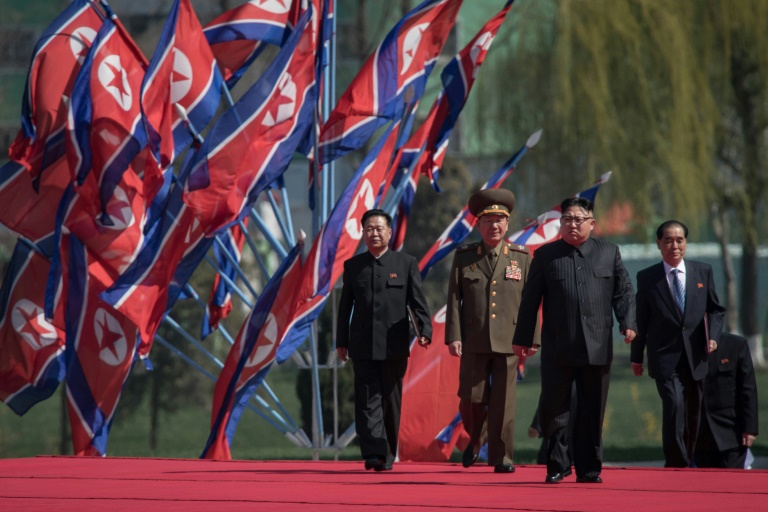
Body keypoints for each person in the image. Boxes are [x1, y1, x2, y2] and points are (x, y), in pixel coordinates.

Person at [512, 197, 636, 484]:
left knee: (592, 409)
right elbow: (530, 299)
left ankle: (589, 468)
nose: (572, 225)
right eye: (567, 219)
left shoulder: (609, 252)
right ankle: (557, 465)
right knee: (555, 408)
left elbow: (624, 292)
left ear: (592, 223)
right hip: (557, 345)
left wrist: (628, 322)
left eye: (579, 219)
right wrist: (524, 338)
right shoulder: (546, 255)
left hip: (597, 344)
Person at [445, 188, 539, 474]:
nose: (494, 226)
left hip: (510, 341)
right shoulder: (464, 257)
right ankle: (477, 437)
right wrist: (454, 336)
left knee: (504, 404)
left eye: (499, 220)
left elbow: (530, 302)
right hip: (473, 340)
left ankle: (502, 458)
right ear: (479, 225)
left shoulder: (521, 257)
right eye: (488, 221)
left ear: (507, 224)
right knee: (470, 400)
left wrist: (532, 338)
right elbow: (454, 298)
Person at [336, 209, 432, 472]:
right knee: (367, 401)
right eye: (369, 229)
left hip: (394, 344)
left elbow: (418, 302)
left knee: (391, 400)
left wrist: (425, 330)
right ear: (363, 233)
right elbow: (345, 308)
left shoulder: (406, 263)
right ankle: (374, 453)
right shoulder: (353, 266)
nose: (374, 233)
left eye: (379, 228)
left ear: (389, 232)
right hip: (362, 344)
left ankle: (388, 453)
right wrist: (341, 341)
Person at [631, 220, 725, 468]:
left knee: (693, 411)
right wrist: (636, 357)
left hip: (696, 355)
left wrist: (713, 336)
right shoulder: (647, 277)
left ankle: (688, 458)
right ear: (659, 244)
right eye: (668, 240)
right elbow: (641, 319)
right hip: (664, 357)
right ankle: (676, 461)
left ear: (685, 243)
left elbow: (716, 310)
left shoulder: (702, 271)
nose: (674, 245)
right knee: (673, 403)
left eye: (679, 240)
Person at [695, 332, 759, 469]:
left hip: (732, 433)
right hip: (701, 436)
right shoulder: (688, 348)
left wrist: (750, 429)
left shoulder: (736, 345)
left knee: (731, 481)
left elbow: (748, 388)